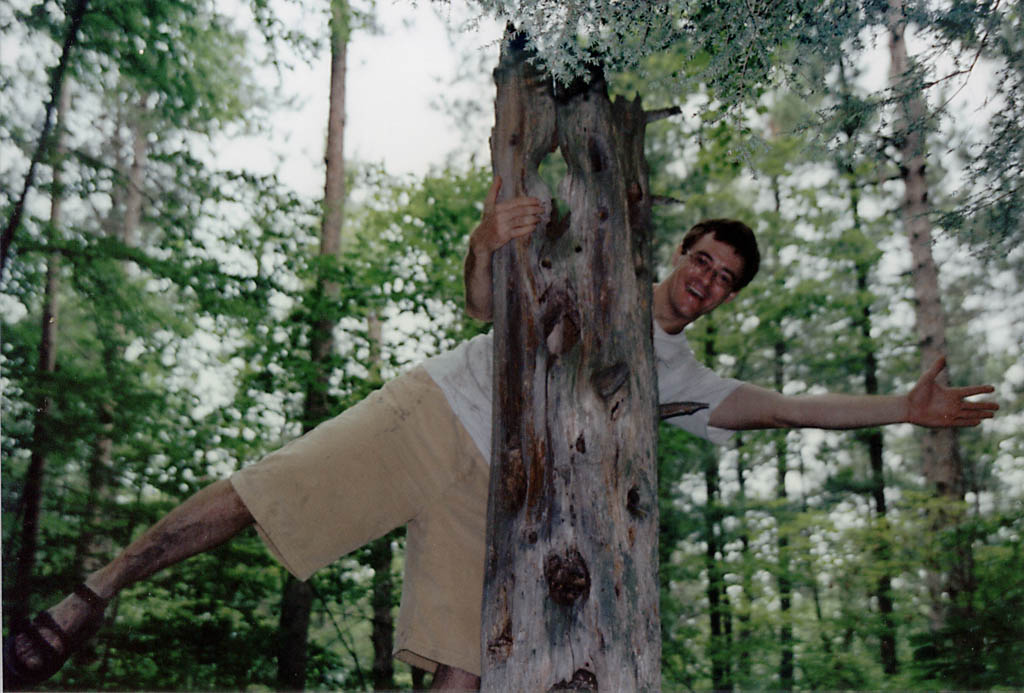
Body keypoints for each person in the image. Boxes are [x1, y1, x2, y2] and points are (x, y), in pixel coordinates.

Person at [3, 179, 999, 691]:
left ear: (725, 299)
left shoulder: (683, 381)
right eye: (700, 258)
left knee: (466, 666)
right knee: (267, 490)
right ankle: (94, 594)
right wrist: (487, 238)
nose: (704, 279)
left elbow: (788, 408)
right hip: (433, 415)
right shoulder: (595, 276)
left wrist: (901, 413)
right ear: (677, 254)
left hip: (501, 497)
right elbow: (489, 298)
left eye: (723, 279)